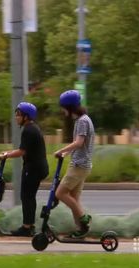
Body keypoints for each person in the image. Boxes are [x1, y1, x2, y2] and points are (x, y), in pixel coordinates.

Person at [0, 102, 49, 236]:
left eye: (19, 115)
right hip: (39, 167)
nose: (16, 117)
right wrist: (7, 153)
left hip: (33, 168)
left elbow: (21, 151)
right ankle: (29, 225)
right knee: (29, 196)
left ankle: (27, 227)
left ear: (26, 116)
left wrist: (6, 156)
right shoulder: (33, 128)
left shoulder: (28, 130)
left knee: (26, 196)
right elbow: (23, 150)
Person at [54, 90, 94, 238]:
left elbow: (79, 143)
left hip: (79, 165)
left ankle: (84, 218)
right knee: (73, 198)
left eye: (63, 107)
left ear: (70, 107)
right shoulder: (83, 120)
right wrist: (66, 153)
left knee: (60, 193)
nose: (62, 110)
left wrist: (61, 150)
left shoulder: (82, 121)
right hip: (82, 164)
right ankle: (80, 230)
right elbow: (81, 145)